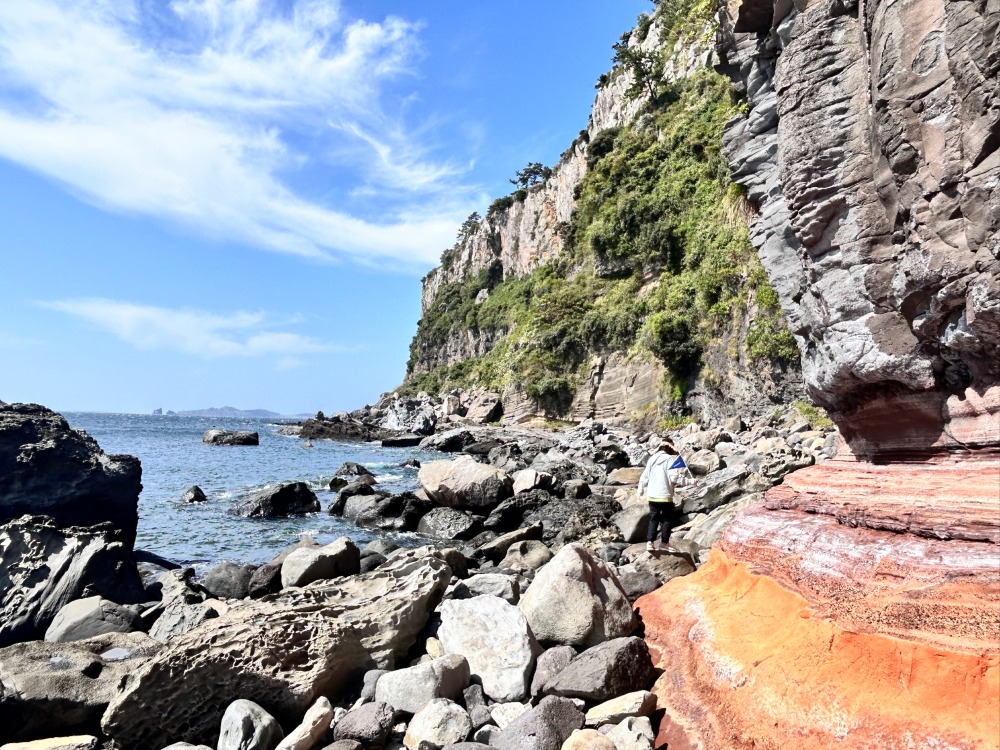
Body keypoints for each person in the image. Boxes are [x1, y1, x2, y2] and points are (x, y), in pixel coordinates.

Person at [637, 438, 694, 552]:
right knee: (667, 519)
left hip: (652, 495)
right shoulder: (671, 459)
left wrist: (640, 491)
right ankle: (664, 543)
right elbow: (674, 478)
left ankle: (650, 543)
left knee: (654, 518)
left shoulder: (652, 459)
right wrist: (690, 482)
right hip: (665, 496)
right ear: (671, 447)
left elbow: (644, 476)